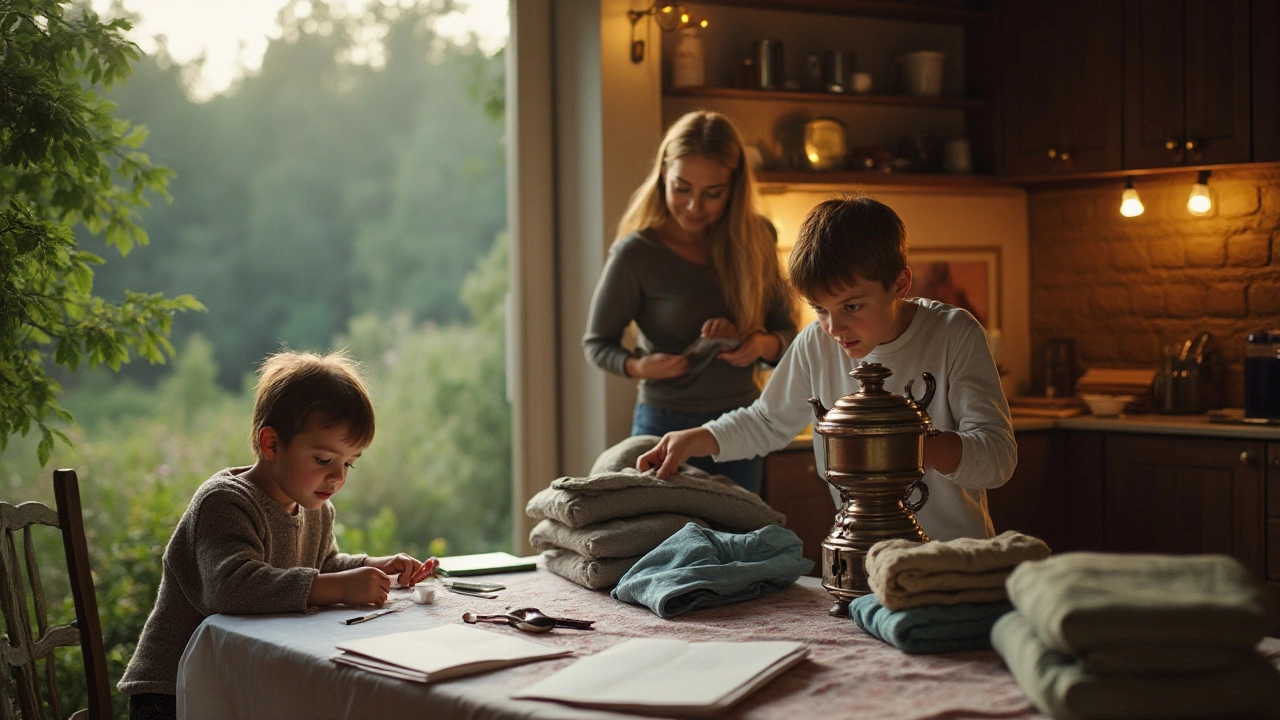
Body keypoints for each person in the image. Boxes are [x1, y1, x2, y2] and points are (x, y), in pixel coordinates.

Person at [637, 196, 1015, 541]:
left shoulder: (954, 334)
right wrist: (695, 438)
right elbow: (766, 422)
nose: (834, 329)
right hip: (864, 558)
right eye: (820, 309)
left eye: (851, 307)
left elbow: (998, 460)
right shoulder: (815, 343)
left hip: (957, 562)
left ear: (900, 283)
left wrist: (908, 447)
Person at [119, 350, 436, 720]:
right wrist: (341, 586)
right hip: (175, 690)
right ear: (270, 444)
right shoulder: (225, 502)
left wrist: (370, 566)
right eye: (323, 460)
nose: (338, 478)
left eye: (348, 463)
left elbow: (323, 566)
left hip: (242, 681)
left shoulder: (316, 509)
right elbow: (231, 587)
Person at [583, 110, 797, 494]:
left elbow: (786, 332)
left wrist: (758, 345)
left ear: (733, 189)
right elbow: (596, 344)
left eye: (712, 194)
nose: (695, 206)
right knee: (660, 546)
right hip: (662, 422)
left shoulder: (758, 238)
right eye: (682, 188)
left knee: (740, 547)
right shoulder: (636, 253)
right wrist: (638, 365)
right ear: (664, 174)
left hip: (741, 425)